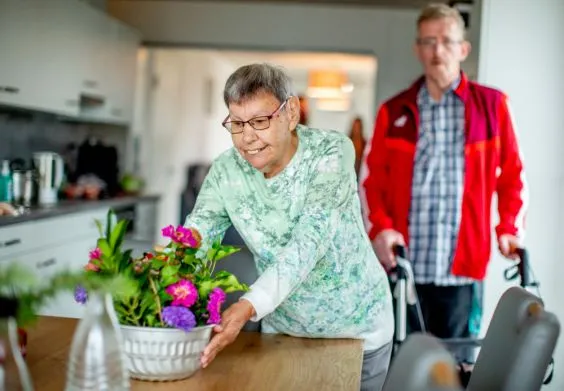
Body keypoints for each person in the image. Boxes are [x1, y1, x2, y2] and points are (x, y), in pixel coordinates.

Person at [185, 63, 394, 390]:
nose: (247, 137)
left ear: (291, 112)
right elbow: (196, 234)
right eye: (237, 123)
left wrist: (247, 305)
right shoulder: (227, 170)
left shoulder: (331, 151)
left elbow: (310, 239)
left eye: (259, 121)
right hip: (284, 332)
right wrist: (161, 272)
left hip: (356, 330)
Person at [360, 3, 528, 361]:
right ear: (417, 49)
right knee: (401, 365)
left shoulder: (493, 106)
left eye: (447, 41)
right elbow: (370, 181)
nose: (438, 50)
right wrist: (382, 229)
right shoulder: (394, 111)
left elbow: (513, 176)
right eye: (428, 41)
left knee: (455, 369)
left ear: (463, 49)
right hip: (404, 270)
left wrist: (508, 227)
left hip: (462, 273)